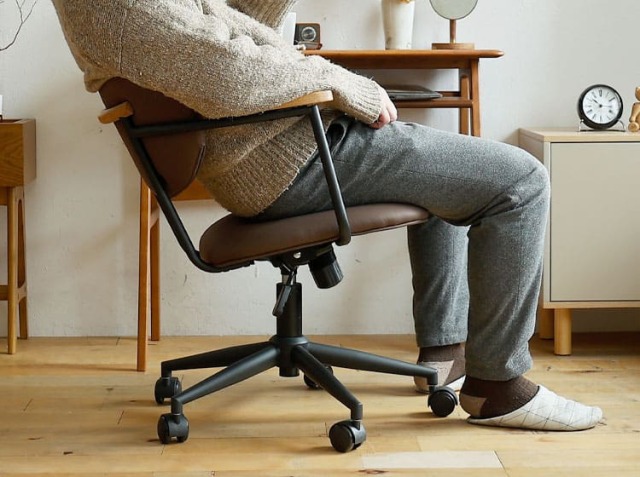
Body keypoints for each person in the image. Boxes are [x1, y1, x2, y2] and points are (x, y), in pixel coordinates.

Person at [51, 0, 602, 431]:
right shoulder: (121, 8)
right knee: (521, 182)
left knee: (454, 178)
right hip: (291, 159)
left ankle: (443, 355)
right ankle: (499, 388)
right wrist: (344, 83)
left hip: (275, 151)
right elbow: (228, 74)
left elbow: (233, 30)